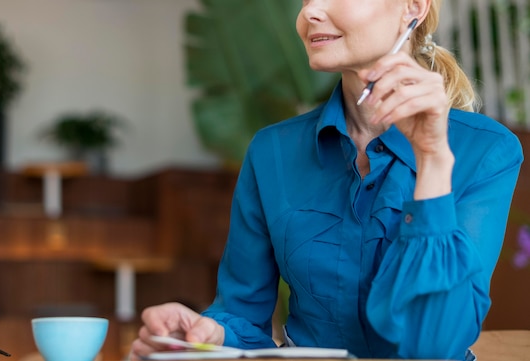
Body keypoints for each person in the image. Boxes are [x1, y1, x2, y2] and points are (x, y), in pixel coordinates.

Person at [131, 0, 524, 360]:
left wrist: (433, 161)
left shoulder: (486, 151)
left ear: (413, 7)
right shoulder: (271, 151)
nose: (310, 13)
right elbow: (243, 318)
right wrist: (206, 335)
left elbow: (436, 343)